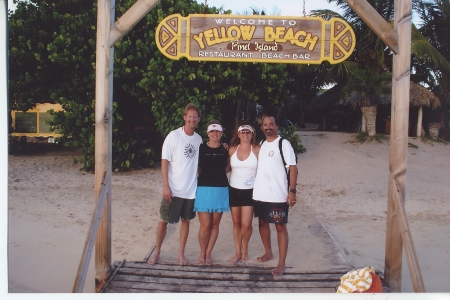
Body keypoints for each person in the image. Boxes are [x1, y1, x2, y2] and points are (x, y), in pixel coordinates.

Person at [147, 103, 203, 266]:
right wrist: (166, 186)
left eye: (195, 116)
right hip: (173, 189)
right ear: (184, 117)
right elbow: (165, 161)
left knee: (186, 221)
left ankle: (181, 253)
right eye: (189, 115)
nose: (192, 119)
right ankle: (157, 251)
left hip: (190, 190)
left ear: (198, 119)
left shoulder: (199, 139)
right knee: (164, 220)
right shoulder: (173, 136)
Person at [252, 115, 298, 276]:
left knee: (280, 227)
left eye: (271, 124)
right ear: (262, 127)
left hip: (278, 195)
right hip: (260, 194)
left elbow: (293, 167)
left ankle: (281, 263)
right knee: (263, 223)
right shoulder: (263, 144)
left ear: (277, 126)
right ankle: (268, 252)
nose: (268, 127)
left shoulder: (283, 144)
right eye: (265, 125)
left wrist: (292, 191)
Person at [194, 120, 230, 264]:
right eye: (212, 131)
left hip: (221, 189)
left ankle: (209, 254)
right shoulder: (200, 147)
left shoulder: (226, 149)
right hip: (203, 188)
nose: (215, 134)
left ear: (221, 133)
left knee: (215, 225)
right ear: (208, 133)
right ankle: (202, 253)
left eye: (218, 131)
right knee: (205, 225)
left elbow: (228, 167)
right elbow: (189, 161)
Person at [228, 121, 260, 264]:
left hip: (250, 190)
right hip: (234, 189)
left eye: (248, 132)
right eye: (243, 132)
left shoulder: (257, 149)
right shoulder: (232, 150)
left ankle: (245, 247)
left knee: (246, 224)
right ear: (238, 134)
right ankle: (237, 251)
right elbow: (227, 168)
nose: (245, 134)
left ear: (252, 134)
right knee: (236, 222)